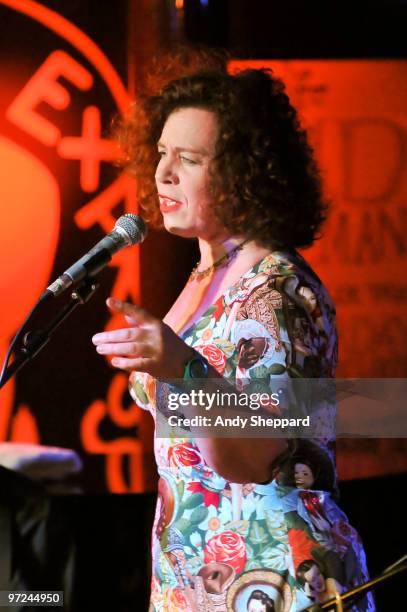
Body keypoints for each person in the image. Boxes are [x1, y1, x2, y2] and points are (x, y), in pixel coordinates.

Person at [92, 49, 375, 611]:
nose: (164, 172)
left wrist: (185, 367)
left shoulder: (277, 292)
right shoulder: (206, 274)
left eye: (190, 159)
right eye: (162, 154)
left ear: (244, 173)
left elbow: (258, 454)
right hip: (197, 572)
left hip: (272, 573)